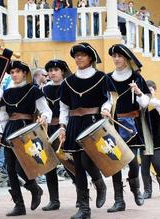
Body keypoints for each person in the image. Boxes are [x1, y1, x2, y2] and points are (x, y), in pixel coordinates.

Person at [59, 42, 111, 219]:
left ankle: (99, 183)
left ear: (90, 58)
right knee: (79, 166)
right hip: (74, 123)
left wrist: (106, 108)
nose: (78, 58)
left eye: (82, 54)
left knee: (88, 160)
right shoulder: (68, 82)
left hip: (93, 122)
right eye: (76, 55)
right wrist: (62, 126)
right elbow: (64, 107)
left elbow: (108, 99)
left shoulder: (101, 77)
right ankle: (84, 209)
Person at [0, 60, 52, 216]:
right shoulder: (7, 93)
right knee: (10, 169)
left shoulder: (33, 90)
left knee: (22, 167)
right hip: (9, 132)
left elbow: (46, 110)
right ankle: (19, 205)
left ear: (24, 73)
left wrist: (44, 118)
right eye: (12, 72)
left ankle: (34, 189)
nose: (14, 75)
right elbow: (3, 117)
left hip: (26, 129)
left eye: (17, 72)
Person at [107, 44, 148, 212]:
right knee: (115, 162)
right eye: (114, 56)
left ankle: (135, 189)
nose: (116, 59)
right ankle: (119, 200)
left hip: (132, 125)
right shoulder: (108, 78)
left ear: (127, 58)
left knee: (132, 162)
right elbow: (104, 100)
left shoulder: (137, 78)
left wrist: (138, 92)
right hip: (113, 125)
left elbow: (145, 103)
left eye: (120, 56)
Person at [41, 59, 72, 211]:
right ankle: (54, 200)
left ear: (62, 71)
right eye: (50, 70)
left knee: (70, 164)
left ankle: (82, 197)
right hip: (49, 130)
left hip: (65, 128)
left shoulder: (69, 86)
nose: (52, 73)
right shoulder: (44, 89)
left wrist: (65, 127)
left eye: (56, 70)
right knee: (49, 166)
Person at [141, 80, 160, 199]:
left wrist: (142, 97)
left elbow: (156, 103)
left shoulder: (159, 103)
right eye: (146, 90)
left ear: (155, 90)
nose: (148, 92)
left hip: (157, 141)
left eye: (150, 90)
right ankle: (147, 190)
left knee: (157, 163)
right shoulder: (141, 105)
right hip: (145, 141)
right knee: (144, 166)